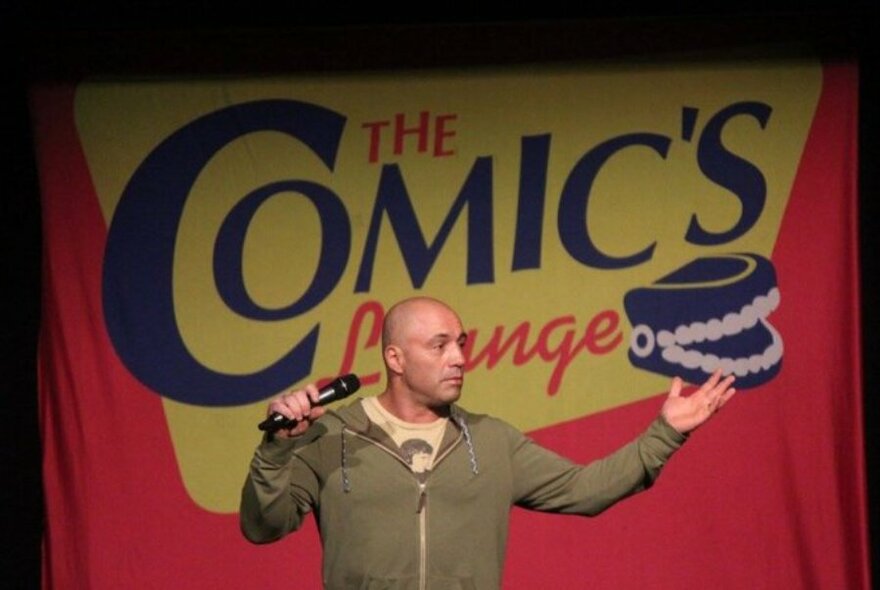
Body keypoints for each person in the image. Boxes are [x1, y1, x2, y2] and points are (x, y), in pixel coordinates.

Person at [240, 296, 736, 589]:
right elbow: (264, 527)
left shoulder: (491, 441)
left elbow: (588, 490)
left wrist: (665, 433)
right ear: (395, 357)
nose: (458, 358)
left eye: (460, 343)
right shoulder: (332, 435)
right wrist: (277, 450)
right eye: (439, 346)